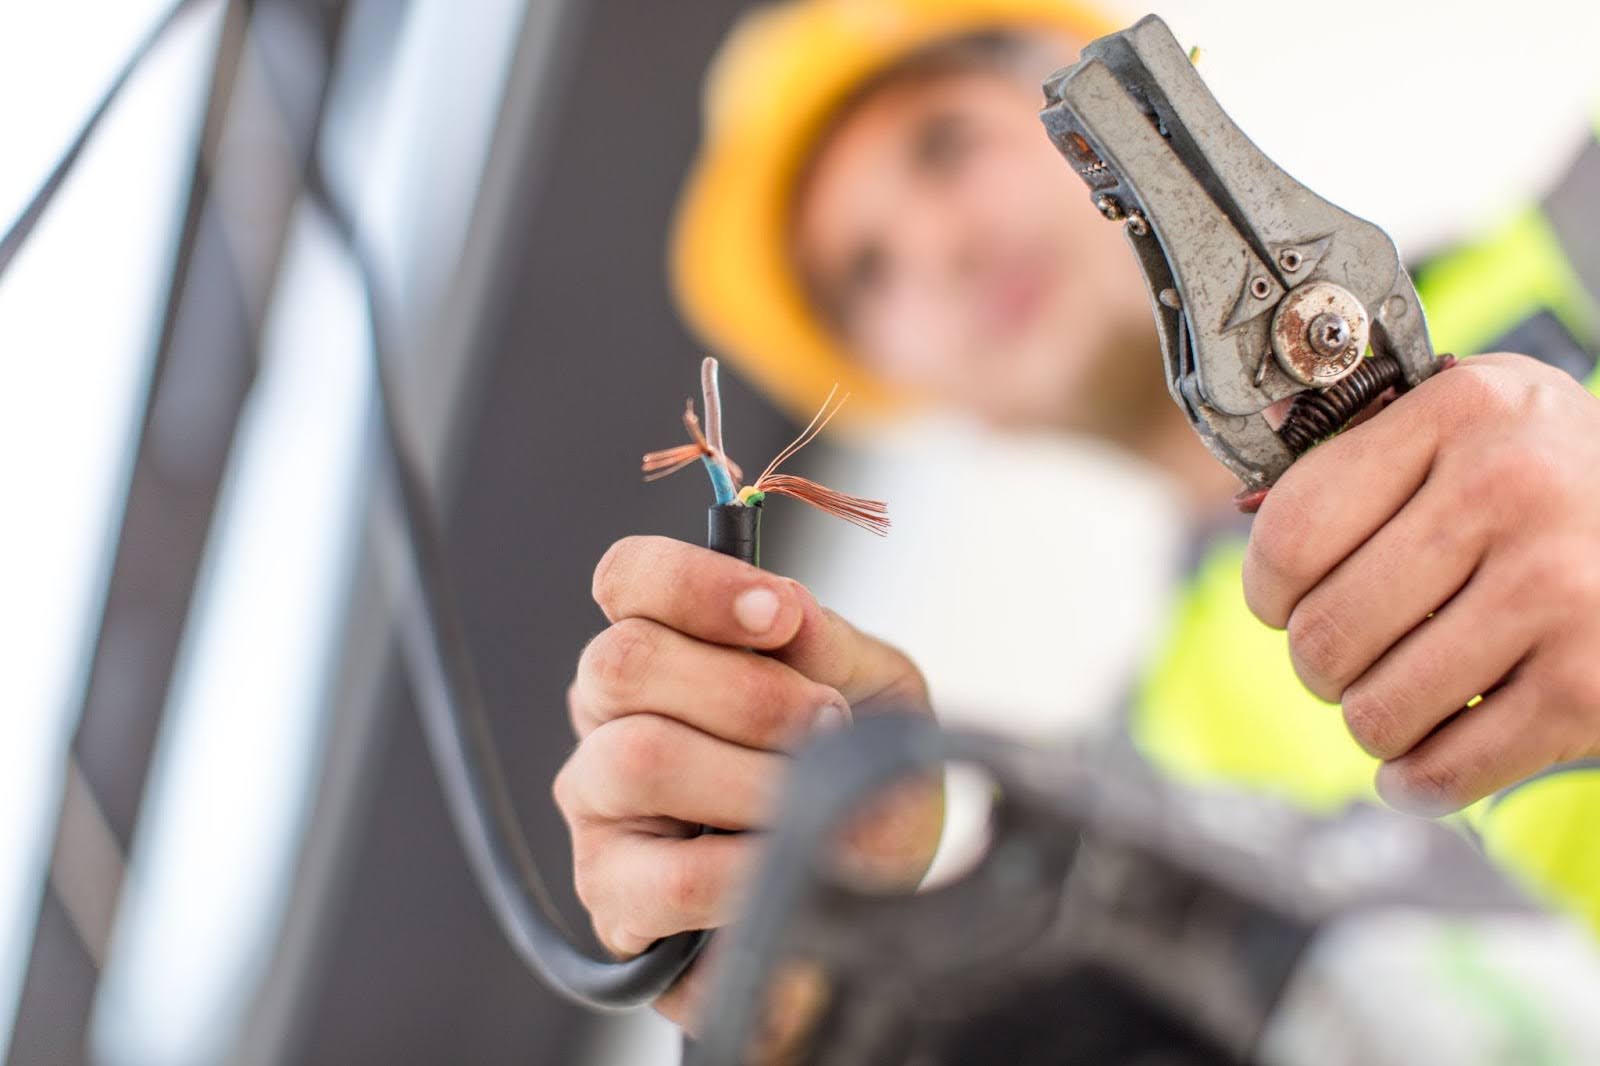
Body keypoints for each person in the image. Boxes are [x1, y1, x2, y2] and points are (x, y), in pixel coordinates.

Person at [553, 0, 1600, 1042]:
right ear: (919, 396)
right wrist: (839, 988)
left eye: (944, 145)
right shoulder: (1139, 806)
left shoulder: (1579, 225)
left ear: (1089, 115)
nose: (940, 248)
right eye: (870, 271)